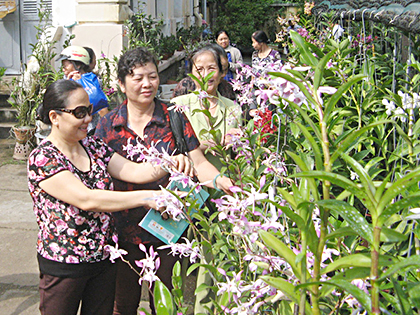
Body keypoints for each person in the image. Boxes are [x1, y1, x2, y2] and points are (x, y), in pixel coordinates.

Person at [28, 79, 193, 315]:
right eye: (79, 113)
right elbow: (87, 199)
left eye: (90, 111)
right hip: (65, 264)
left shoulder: (92, 145)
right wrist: (147, 197)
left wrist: (171, 161)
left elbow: (133, 171)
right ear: (55, 117)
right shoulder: (43, 158)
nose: (88, 119)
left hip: (104, 259)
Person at [94, 46, 233, 315]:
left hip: (168, 230)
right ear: (122, 84)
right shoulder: (107, 126)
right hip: (122, 232)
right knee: (122, 305)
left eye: (153, 76)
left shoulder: (174, 116)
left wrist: (222, 182)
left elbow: (199, 162)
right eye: (137, 78)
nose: (147, 84)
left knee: (167, 304)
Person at [171, 44, 242, 171]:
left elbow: (239, 155)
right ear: (191, 74)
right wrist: (218, 141)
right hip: (190, 182)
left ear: (221, 73)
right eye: (199, 69)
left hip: (225, 182)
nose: (205, 75)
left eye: (211, 68)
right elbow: (175, 151)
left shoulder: (232, 108)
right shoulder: (178, 105)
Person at [57, 45, 109, 133]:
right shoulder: (67, 80)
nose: (63, 69)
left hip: (89, 129)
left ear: (78, 65)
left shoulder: (92, 80)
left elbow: (100, 106)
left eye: (65, 66)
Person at [172, 43, 236, 101]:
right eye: (200, 69)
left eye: (225, 69)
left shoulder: (227, 89)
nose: (223, 74)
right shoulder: (185, 87)